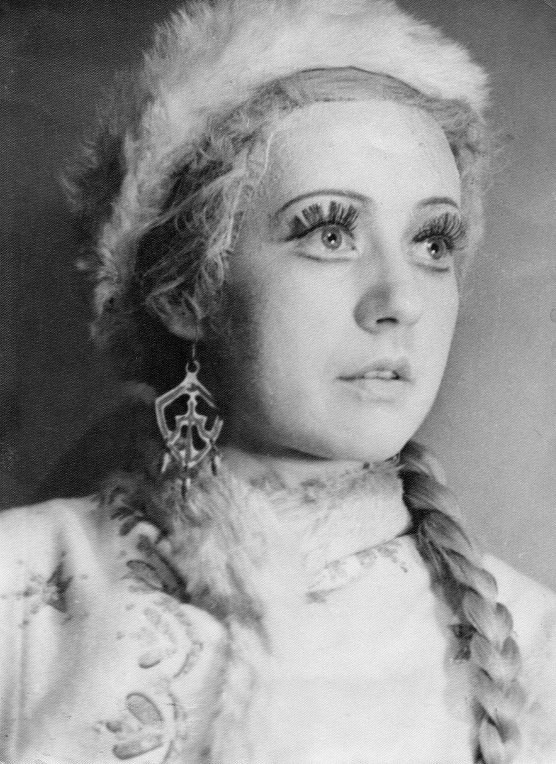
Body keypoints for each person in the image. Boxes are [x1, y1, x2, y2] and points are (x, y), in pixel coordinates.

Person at [1, 1, 554, 762]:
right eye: (329, 231)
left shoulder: (537, 646)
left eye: (432, 243)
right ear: (188, 292)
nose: (399, 301)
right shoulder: (20, 590)